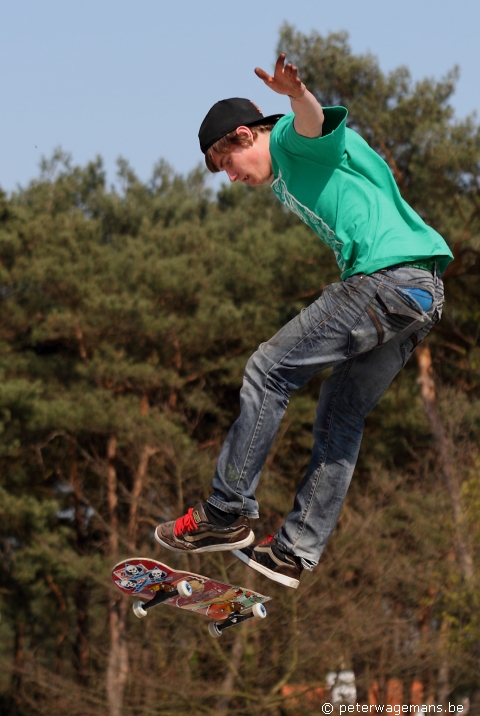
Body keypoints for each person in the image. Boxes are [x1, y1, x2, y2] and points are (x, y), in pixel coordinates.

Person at [154, 54, 453, 589]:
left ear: (246, 135)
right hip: (419, 296)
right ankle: (294, 550)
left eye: (227, 164)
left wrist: (296, 94)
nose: (231, 178)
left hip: (387, 282)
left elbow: (313, 124)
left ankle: (227, 510)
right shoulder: (286, 177)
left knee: (269, 369)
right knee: (340, 413)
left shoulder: (289, 140)